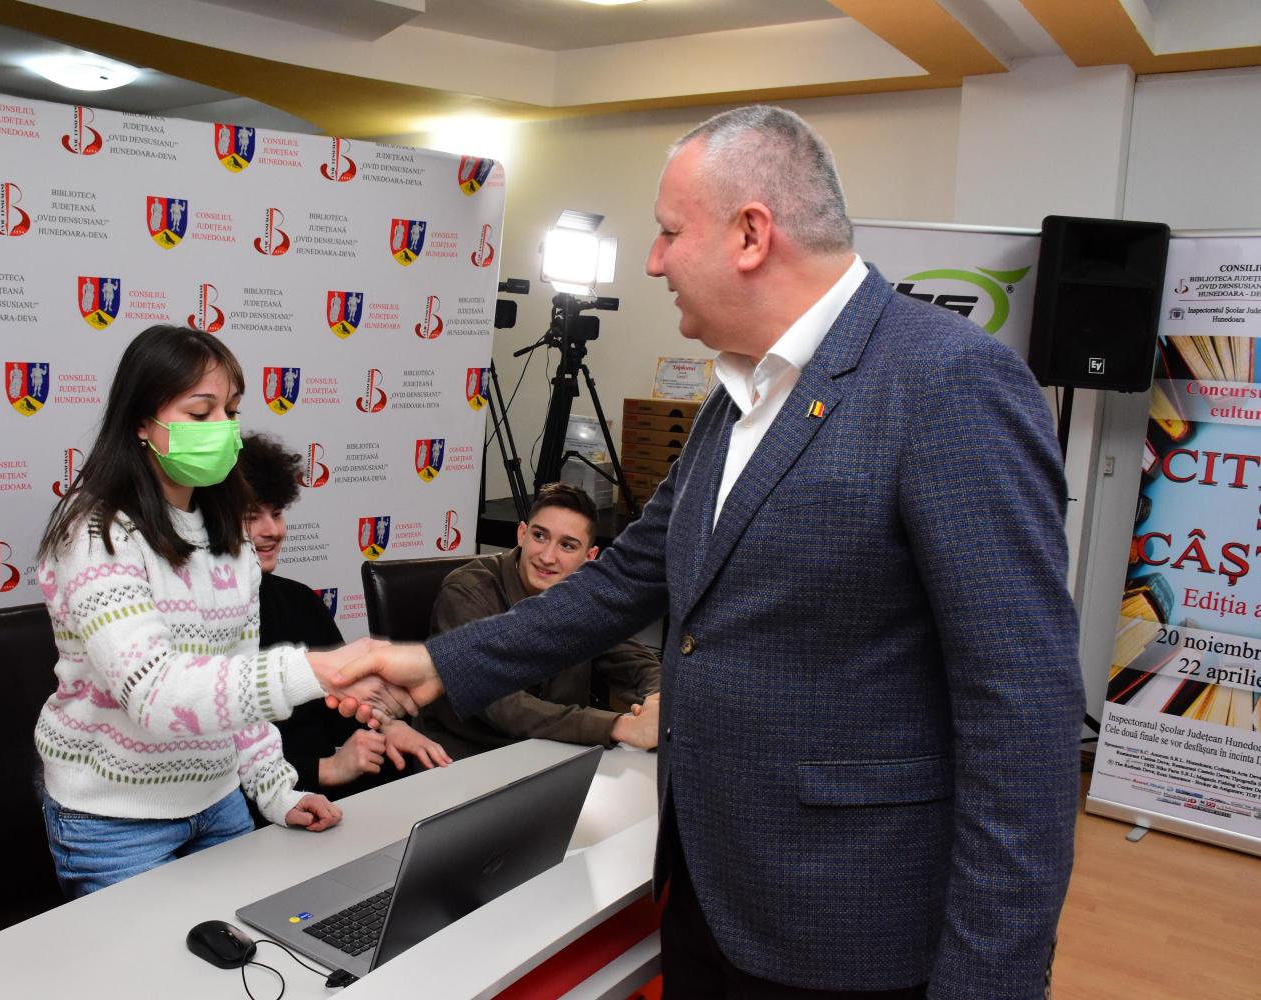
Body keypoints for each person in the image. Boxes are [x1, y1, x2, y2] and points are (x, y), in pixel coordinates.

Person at [333, 105, 1083, 999]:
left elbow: (1022, 713)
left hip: (848, 925)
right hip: (706, 891)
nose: (653, 262)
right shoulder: (738, 393)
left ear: (751, 234)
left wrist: (989, 983)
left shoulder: (949, 382)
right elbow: (625, 578)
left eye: (668, 232)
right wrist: (438, 663)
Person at [34, 324, 405, 898]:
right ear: (141, 421)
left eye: (230, 412)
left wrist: (277, 790)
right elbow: (154, 693)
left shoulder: (228, 535)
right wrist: (319, 670)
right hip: (117, 821)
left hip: (218, 798)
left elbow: (234, 687)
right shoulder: (95, 532)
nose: (222, 428)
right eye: (200, 413)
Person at [237, 434, 449, 796]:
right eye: (251, 518)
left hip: (322, 797)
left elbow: (338, 708)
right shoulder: (194, 623)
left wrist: (386, 727)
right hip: (262, 806)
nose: (272, 531)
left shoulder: (299, 600)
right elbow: (213, 768)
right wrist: (326, 770)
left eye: (277, 514)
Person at [423, 482, 660, 759]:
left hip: (555, 754)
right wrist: (618, 726)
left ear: (590, 557)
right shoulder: (467, 591)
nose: (547, 557)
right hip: (467, 758)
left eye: (567, 545)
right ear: (522, 534)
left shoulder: (585, 599)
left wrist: (658, 701)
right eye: (539, 536)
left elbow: (637, 663)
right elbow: (498, 704)